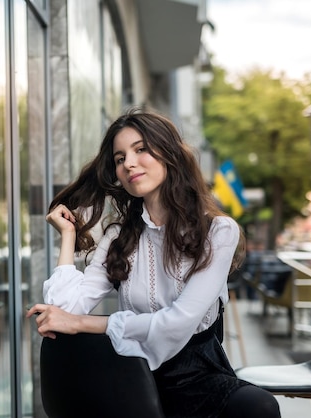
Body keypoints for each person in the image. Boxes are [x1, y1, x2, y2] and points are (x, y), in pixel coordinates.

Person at [27, 109, 280, 417]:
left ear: (169, 154)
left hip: (198, 379)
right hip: (131, 377)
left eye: (140, 149)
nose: (129, 163)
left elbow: (176, 324)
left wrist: (81, 324)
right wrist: (68, 236)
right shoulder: (119, 236)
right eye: (120, 159)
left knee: (259, 406)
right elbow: (62, 312)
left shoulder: (217, 231)